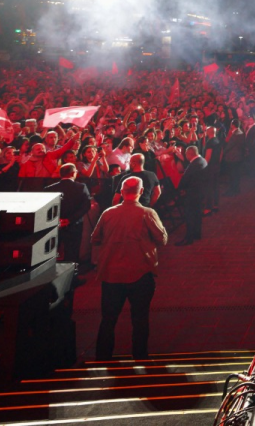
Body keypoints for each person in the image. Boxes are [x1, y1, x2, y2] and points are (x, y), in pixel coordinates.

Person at [91, 176, 169, 361]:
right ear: (141, 192)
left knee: (108, 319)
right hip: (140, 272)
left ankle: (103, 358)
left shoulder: (108, 213)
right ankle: (140, 356)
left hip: (111, 273)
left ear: (122, 192)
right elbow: (162, 239)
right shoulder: (147, 213)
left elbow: (95, 239)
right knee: (140, 318)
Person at [46, 163, 93, 263]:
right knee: (72, 252)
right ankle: (71, 277)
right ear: (73, 173)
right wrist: (69, 220)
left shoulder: (49, 188)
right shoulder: (81, 187)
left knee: (50, 253)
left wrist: (57, 219)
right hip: (74, 225)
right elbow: (86, 206)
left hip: (53, 225)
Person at [175, 146, 208, 246]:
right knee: (197, 214)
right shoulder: (202, 160)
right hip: (200, 192)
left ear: (189, 154)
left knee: (190, 215)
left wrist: (179, 189)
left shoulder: (194, 164)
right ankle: (196, 234)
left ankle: (189, 237)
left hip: (193, 193)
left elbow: (185, 179)